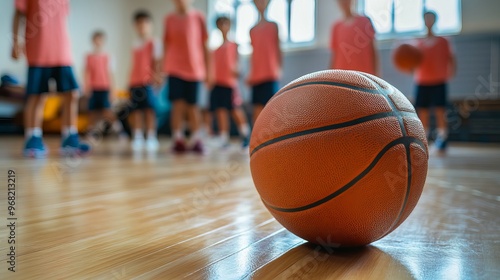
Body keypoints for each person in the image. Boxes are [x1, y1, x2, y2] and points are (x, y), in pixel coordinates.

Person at [12, 0, 90, 157]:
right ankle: (32, 138)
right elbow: (18, 14)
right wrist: (15, 42)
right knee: (37, 96)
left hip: (62, 52)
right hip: (38, 51)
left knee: (72, 93)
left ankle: (70, 137)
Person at [163, 0, 212, 154]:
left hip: (195, 70)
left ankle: (196, 139)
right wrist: (162, 69)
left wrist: (209, 70)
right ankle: (177, 139)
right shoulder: (169, 19)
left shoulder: (199, 17)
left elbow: (205, 45)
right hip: (174, 69)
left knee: (193, 105)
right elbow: (166, 45)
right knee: (177, 105)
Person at [414, 11, 456, 152]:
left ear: (435, 21)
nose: (428, 21)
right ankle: (424, 138)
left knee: (440, 111)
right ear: (424, 21)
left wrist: (451, 71)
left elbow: (451, 58)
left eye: (431, 18)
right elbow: (412, 63)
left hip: (438, 81)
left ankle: (442, 138)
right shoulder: (418, 43)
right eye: (426, 18)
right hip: (422, 81)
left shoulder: (443, 41)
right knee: (423, 112)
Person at [210, 16, 251, 149]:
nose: (223, 26)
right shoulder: (215, 50)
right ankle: (224, 139)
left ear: (229, 25)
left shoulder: (234, 45)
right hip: (217, 83)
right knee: (221, 111)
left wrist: (238, 69)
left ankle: (246, 135)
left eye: (225, 23)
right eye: (220, 24)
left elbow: (239, 64)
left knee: (235, 109)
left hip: (230, 84)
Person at [129, 10, 162, 151]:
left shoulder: (154, 43)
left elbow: (158, 62)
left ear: (150, 25)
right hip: (134, 82)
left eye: (145, 23)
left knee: (150, 110)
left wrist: (157, 78)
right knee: (136, 110)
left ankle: (151, 136)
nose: (142, 26)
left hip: (148, 82)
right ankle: (137, 136)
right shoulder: (135, 45)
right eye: (139, 23)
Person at [247, 0, 282, 124]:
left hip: (270, 74)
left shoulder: (273, 26)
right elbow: (253, 54)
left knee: (271, 107)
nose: (260, 3)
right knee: (256, 108)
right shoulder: (252, 30)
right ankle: (255, 140)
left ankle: (272, 139)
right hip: (256, 76)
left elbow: (278, 49)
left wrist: (279, 68)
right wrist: (250, 73)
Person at [84, 31, 121, 136]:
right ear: (92, 41)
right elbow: (86, 73)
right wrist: (86, 87)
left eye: (100, 39)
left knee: (107, 110)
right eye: (96, 39)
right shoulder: (88, 57)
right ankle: (92, 131)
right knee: (92, 111)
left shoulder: (108, 57)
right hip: (93, 88)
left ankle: (118, 128)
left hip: (105, 87)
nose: (98, 41)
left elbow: (111, 74)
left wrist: (112, 90)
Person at [330, 0, 379, 76]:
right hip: (343, 77)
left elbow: (373, 52)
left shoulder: (365, 22)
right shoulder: (336, 27)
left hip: (364, 76)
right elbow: (334, 56)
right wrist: (331, 77)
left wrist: (377, 76)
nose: (344, 2)